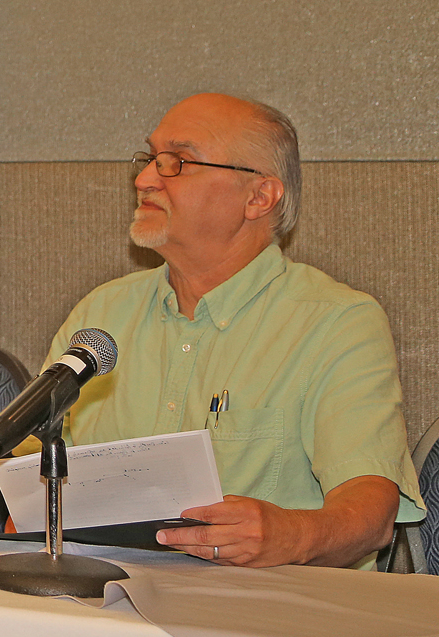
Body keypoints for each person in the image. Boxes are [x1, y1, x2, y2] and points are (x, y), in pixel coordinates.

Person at [56, 93, 424, 567]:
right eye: (149, 159)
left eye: (178, 162)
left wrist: (292, 535)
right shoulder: (102, 313)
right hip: (99, 604)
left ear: (258, 197)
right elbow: (34, 455)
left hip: (264, 616)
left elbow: (371, 513)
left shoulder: (336, 322)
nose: (144, 179)